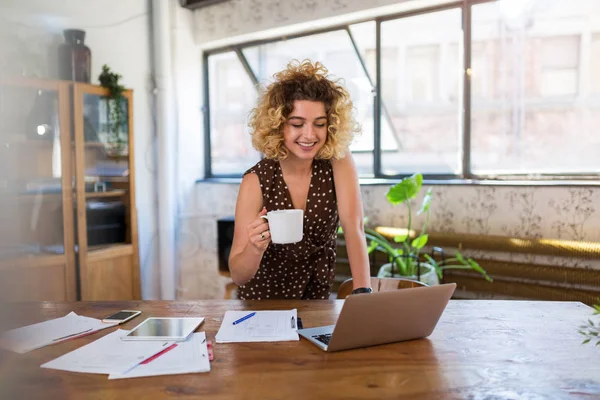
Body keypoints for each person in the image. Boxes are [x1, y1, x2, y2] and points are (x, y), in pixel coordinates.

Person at [228, 59, 372, 300]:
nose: (309, 135)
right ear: (277, 126)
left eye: (320, 124)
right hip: (263, 306)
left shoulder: (339, 161)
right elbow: (238, 275)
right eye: (297, 124)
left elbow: (354, 228)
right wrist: (255, 247)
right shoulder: (256, 180)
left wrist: (363, 292)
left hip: (317, 301)